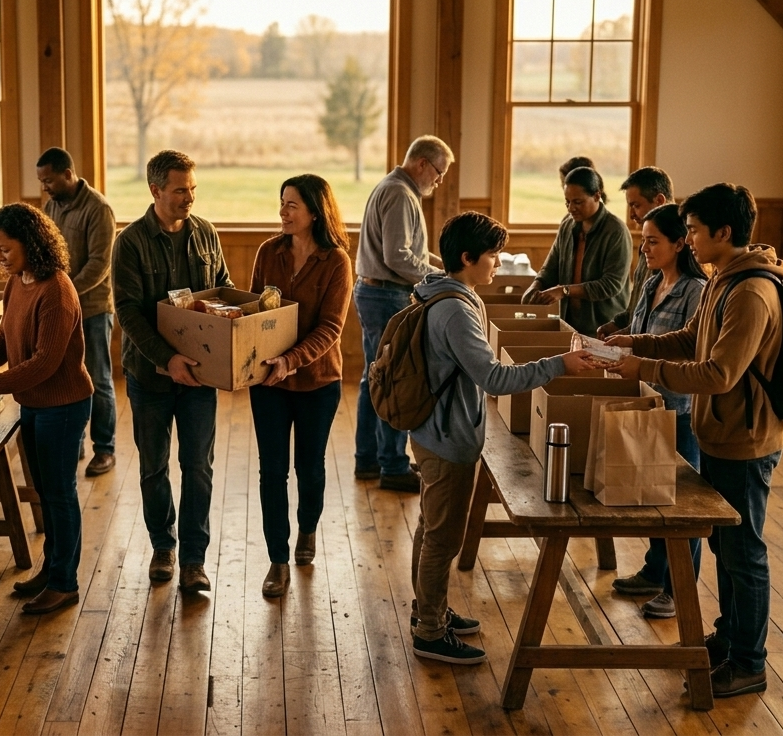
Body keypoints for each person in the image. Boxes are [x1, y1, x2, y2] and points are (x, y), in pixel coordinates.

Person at [605, 183, 783, 698]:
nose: (688, 239)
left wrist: (644, 366)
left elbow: (719, 373)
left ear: (723, 233)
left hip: (746, 442)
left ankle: (749, 662)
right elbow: (691, 339)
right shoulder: (723, 281)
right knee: (726, 547)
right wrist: (632, 342)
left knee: (743, 553)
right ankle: (729, 640)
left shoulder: (751, 291)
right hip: (722, 435)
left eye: (693, 230)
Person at [408, 211, 599, 665]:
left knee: (431, 528)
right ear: (468, 257)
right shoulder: (455, 308)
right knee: (441, 537)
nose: (498, 263)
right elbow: (493, 378)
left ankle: (427, 609)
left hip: (436, 430)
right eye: (492, 255)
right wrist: (559, 365)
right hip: (447, 437)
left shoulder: (448, 292)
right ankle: (430, 632)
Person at [0, 203, 93, 615]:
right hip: (33, 403)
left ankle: (65, 584)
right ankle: (52, 570)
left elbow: (45, 362)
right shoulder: (18, 281)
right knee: (47, 494)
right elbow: (4, 338)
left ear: (31, 244)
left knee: (59, 496)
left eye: (5, 250)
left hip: (63, 406)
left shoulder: (57, 289)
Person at [111, 149, 231, 593]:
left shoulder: (205, 234)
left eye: (193, 189)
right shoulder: (130, 242)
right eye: (181, 190)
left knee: (198, 466)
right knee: (153, 466)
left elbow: (222, 288)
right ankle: (164, 545)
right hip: (151, 376)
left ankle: (194, 561)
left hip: (201, 377)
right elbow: (128, 312)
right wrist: (168, 360)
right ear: (155, 190)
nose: (189, 198)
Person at [249, 174, 353, 598]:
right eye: (281, 203)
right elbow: (255, 310)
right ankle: (277, 558)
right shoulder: (268, 252)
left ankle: (307, 529)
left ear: (315, 210)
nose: (283, 212)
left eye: (291, 205)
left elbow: (331, 327)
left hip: (317, 382)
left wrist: (290, 361)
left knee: (309, 468)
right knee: (272, 472)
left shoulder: (336, 261)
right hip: (267, 383)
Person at [606, 204, 707, 619]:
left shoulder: (696, 291)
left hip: (678, 410)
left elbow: (691, 356)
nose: (644, 248)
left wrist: (638, 354)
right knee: (650, 496)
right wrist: (616, 341)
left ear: (680, 243)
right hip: (646, 403)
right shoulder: (650, 283)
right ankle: (654, 571)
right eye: (643, 240)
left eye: (653, 241)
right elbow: (640, 334)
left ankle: (678, 588)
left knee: (680, 506)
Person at [354, 135, 452, 493]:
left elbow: (411, 254)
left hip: (375, 291)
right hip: (386, 295)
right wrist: (443, 279)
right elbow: (399, 258)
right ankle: (392, 465)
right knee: (395, 380)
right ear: (422, 164)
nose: (439, 182)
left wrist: (447, 267)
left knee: (374, 377)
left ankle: (369, 458)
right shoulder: (400, 193)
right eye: (439, 173)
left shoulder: (394, 187)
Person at [36, 147, 118, 477]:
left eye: (50, 180)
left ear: (68, 174)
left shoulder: (99, 209)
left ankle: (105, 448)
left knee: (98, 379)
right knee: (68, 379)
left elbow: (99, 264)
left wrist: (65, 292)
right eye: (42, 181)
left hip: (94, 308)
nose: (45, 187)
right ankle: (77, 441)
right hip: (61, 309)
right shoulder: (51, 205)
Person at [522, 166, 633, 336]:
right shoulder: (567, 225)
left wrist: (564, 290)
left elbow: (611, 285)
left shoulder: (616, 231)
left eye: (578, 202)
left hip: (604, 328)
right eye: (567, 202)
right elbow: (550, 268)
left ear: (597, 195)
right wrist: (536, 286)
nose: (571, 208)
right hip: (570, 324)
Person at [597, 166, 675, 339]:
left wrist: (630, 338)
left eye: (636, 205)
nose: (631, 214)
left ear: (660, 200)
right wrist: (618, 324)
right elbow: (637, 304)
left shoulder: (676, 249)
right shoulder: (645, 245)